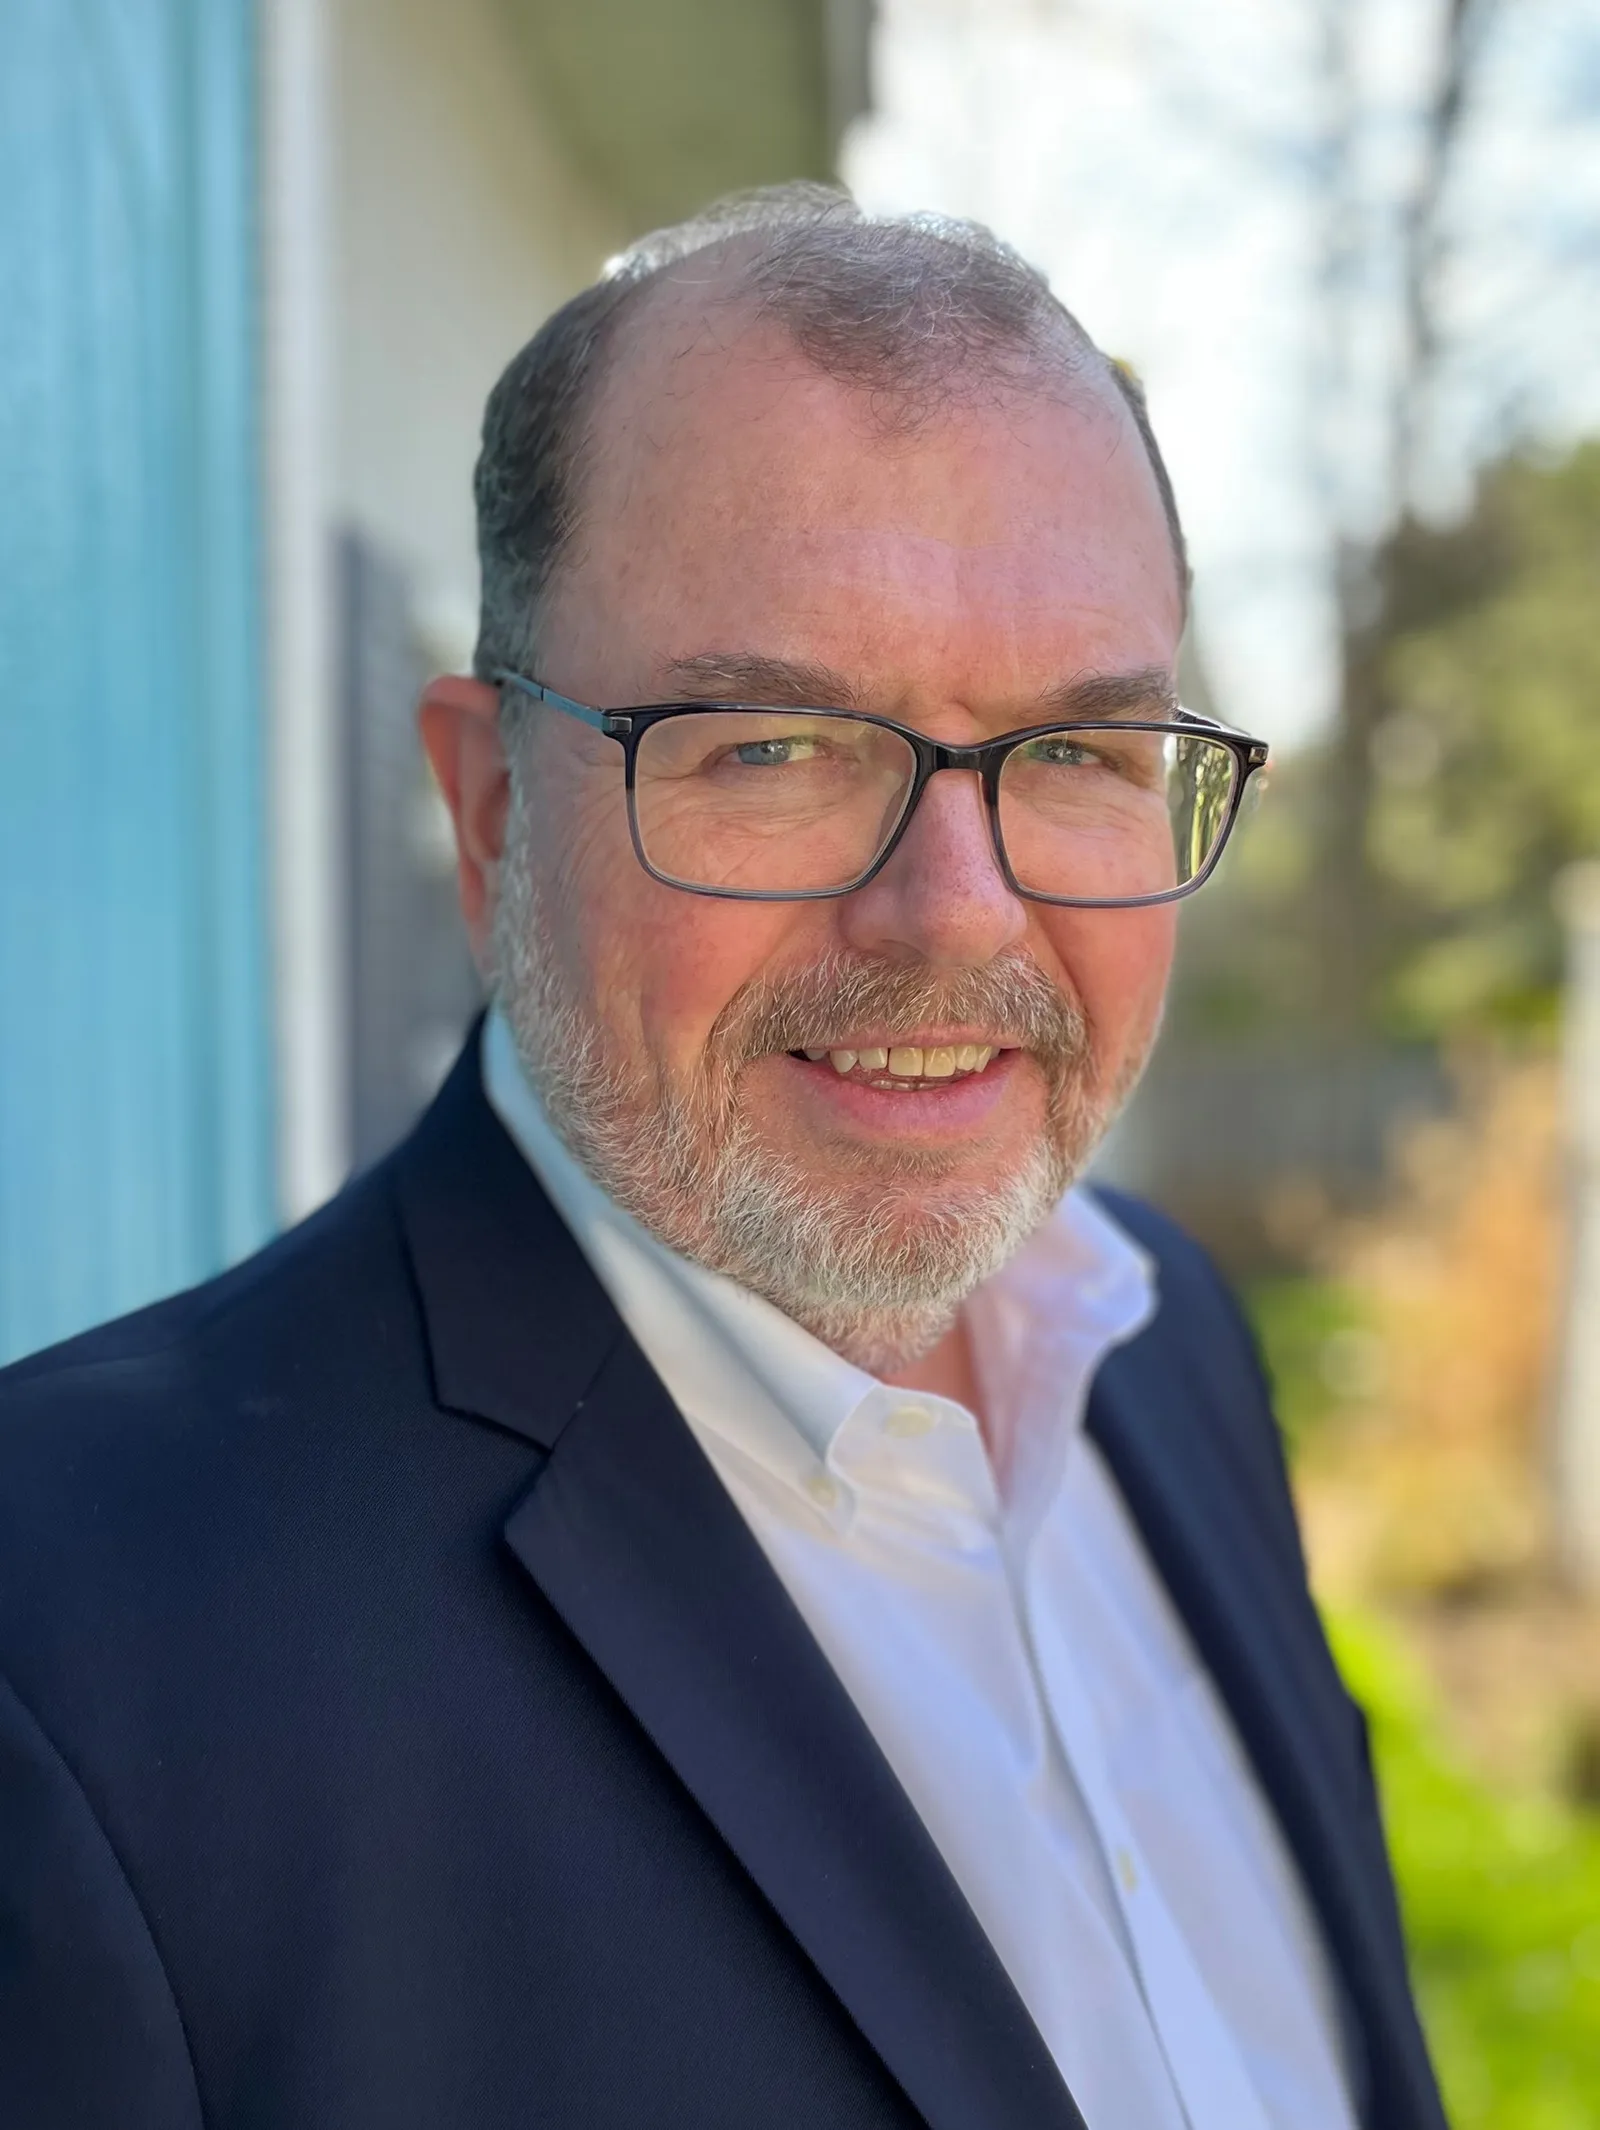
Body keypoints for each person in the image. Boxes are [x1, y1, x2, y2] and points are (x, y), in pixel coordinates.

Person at [0, 186, 1446, 2130]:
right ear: (492, 803)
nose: (951, 918)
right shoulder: (68, 1637)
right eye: (770, 748)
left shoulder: (1166, 1342)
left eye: (1083, 753)